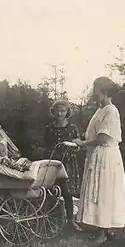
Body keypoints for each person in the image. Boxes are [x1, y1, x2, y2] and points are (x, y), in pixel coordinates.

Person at [72, 76, 125, 245]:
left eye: (95, 89)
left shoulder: (111, 110)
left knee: (104, 191)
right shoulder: (100, 110)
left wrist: (83, 143)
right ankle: (102, 229)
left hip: (106, 156)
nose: (93, 93)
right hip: (98, 154)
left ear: (103, 91)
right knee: (99, 190)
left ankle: (103, 233)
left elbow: (103, 137)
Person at [43, 99, 82, 231]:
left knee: (67, 192)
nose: (60, 114)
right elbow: (46, 146)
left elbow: (77, 145)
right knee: (51, 191)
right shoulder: (49, 128)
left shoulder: (72, 128)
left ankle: (71, 221)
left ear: (67, 112)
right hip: (53, 163)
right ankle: (52, 220)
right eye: (57, 111)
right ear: (53, 112)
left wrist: (73, 148)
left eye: (63, 111)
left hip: (68, 164)